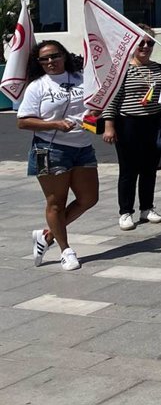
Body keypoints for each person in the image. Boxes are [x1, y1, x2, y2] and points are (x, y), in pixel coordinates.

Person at [20, 41, 95, 272]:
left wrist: (94, 119)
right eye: (44, 59)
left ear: (64, 55)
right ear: (39, 63)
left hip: (82, 147)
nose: (50, 62)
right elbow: (23, 121)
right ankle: (66, 251)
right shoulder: (37, 86)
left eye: (54, 56)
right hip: (51, 149)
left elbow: (93, 108)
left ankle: (47, 236)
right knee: (56, 203)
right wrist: (54, 124)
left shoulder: (82, 78)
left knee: (89, 198)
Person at [101, 27, 161, 230]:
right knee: (129, 169)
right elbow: (111, 100)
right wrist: (109, 125)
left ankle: (147, 207)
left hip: (154, 123)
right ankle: (125, 211)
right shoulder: (121, 70)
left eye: (150, 43)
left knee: (150, 168)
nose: (146, 47)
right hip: (128, 123)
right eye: (141, 42)